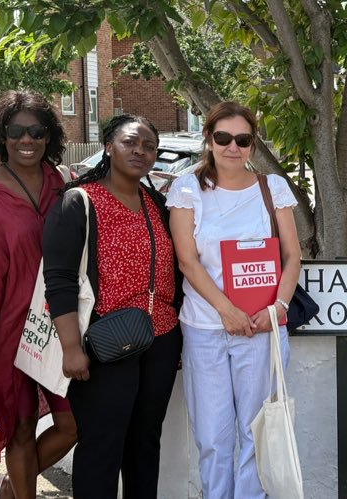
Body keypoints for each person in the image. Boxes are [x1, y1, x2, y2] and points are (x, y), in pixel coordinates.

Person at [166, 101, 302, 499]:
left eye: (242, 139)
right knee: (213, 437)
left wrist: (278, 308)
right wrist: (227, 311)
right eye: (222, 137)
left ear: (252, 143)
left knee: (256, 432)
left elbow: (292, 256)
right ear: (208, 139)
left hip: (261, 327)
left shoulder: (271, 187)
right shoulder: (188, 188)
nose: (232, 147)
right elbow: (187, 261)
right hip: (206, 328)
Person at [44, 113, 183, 499]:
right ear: (108, 146)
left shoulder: (156, 202)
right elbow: (59, 279)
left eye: (149, 146)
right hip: (105, 341)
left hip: (161, 339)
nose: (140, 151)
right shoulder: (79, 201)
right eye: (130, 142)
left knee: (145, 445)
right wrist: (72, 347)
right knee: (103, 446)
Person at [0, 90, 77, 499]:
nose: (27, 140)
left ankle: (9, 488)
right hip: (10, 331)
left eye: (37, 131)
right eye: (16, 131)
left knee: (73, 425)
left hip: (61, 325)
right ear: (0, 135)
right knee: (22, 427)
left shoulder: (62, 184)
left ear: (49, 136)